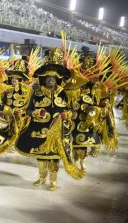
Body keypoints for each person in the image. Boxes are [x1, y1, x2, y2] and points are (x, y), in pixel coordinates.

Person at [15, 48, 84, 190]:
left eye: (53, 77)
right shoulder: (36, 92)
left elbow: (72, 111)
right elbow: (28, 109)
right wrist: (36, 113)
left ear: (58, 79)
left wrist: (67, 115)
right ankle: (41, 178)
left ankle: (53, 180)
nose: (51, 79)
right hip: (39, 132)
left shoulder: (65, 94)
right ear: (44, 79)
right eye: (48, 77)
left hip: (58, 133)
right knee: (41, 158)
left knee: (54, 159)